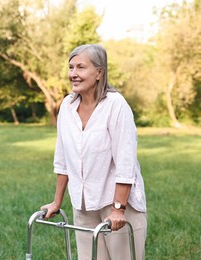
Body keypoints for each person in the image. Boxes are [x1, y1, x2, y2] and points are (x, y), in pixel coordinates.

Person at [40, 44, 147, 260]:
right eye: (71, 67)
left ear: (99, 72)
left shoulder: (115, 105)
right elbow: (62, 160)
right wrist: (57, 201)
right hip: (83, 203)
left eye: (81, 67)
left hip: (115, 203)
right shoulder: (67, 106)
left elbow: (125, 162)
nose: (73, 74)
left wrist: (118, 209)